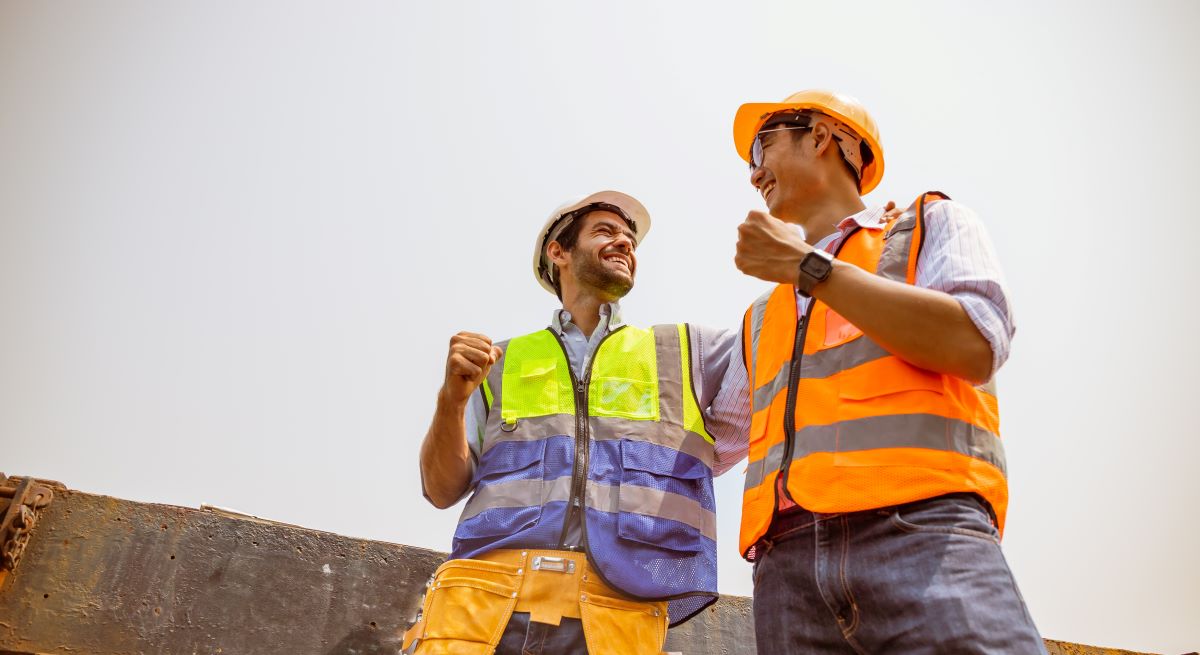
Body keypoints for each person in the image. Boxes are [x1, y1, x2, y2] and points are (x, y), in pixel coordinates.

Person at [730, 90, 1045, 653]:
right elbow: (698, 431)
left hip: (923, 533)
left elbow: (975, 342)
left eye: (762, 146)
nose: (753, 173)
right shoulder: (759, 316)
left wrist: (809, 268)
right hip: (787, 572)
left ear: (822, 136)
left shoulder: (927, 224)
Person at [405, 191, 748, 654]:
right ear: (558, 252)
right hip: (483, 608)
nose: (625, 243)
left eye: (630, 239)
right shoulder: (500, 363)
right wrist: (451, 398)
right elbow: (441, 489)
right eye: (606, 231)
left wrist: (839, 248)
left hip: (617, 615)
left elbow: (778, 343)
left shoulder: (687, 352)